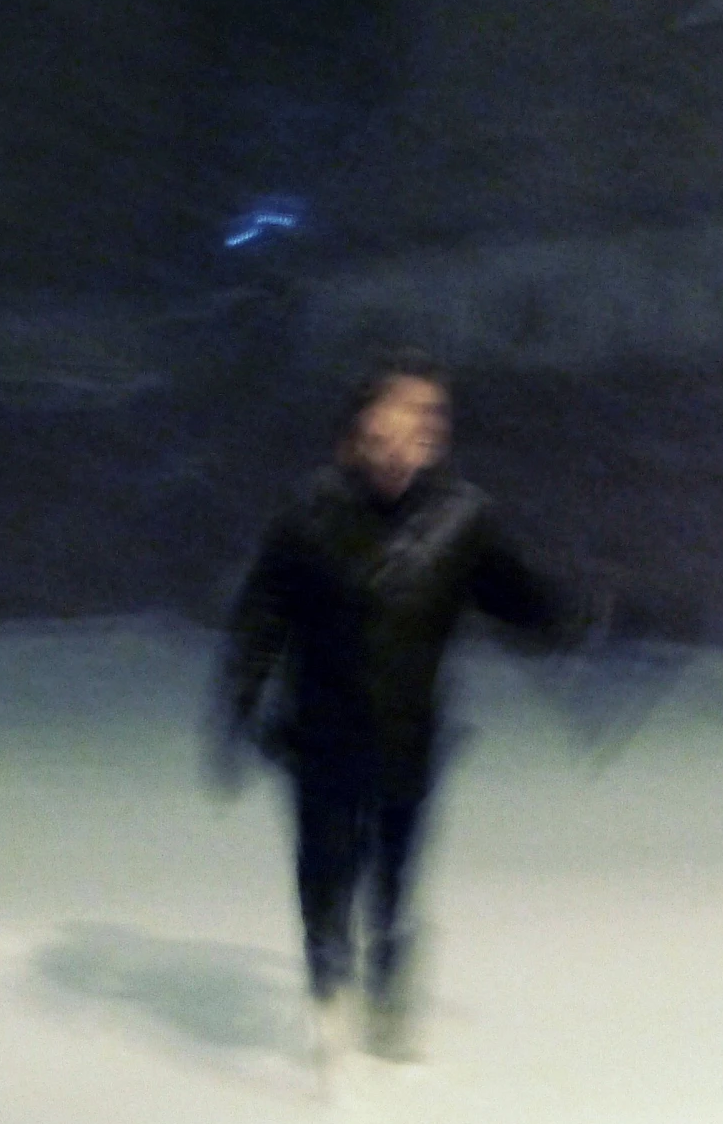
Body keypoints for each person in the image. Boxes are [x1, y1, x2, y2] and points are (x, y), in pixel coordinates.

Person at [209, 352, 600, 1072]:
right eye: (390, 424)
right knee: (327, 876)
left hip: (408, 742)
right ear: (358, 432)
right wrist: (236, 707)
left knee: (393, 884)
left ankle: (388, 1007)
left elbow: (518, 602)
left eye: (423, 424)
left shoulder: (462, 519)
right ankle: (329, 1004)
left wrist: (584, 623)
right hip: (320, 737)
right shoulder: (308, 516)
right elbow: (260, 619)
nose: (405, 441)